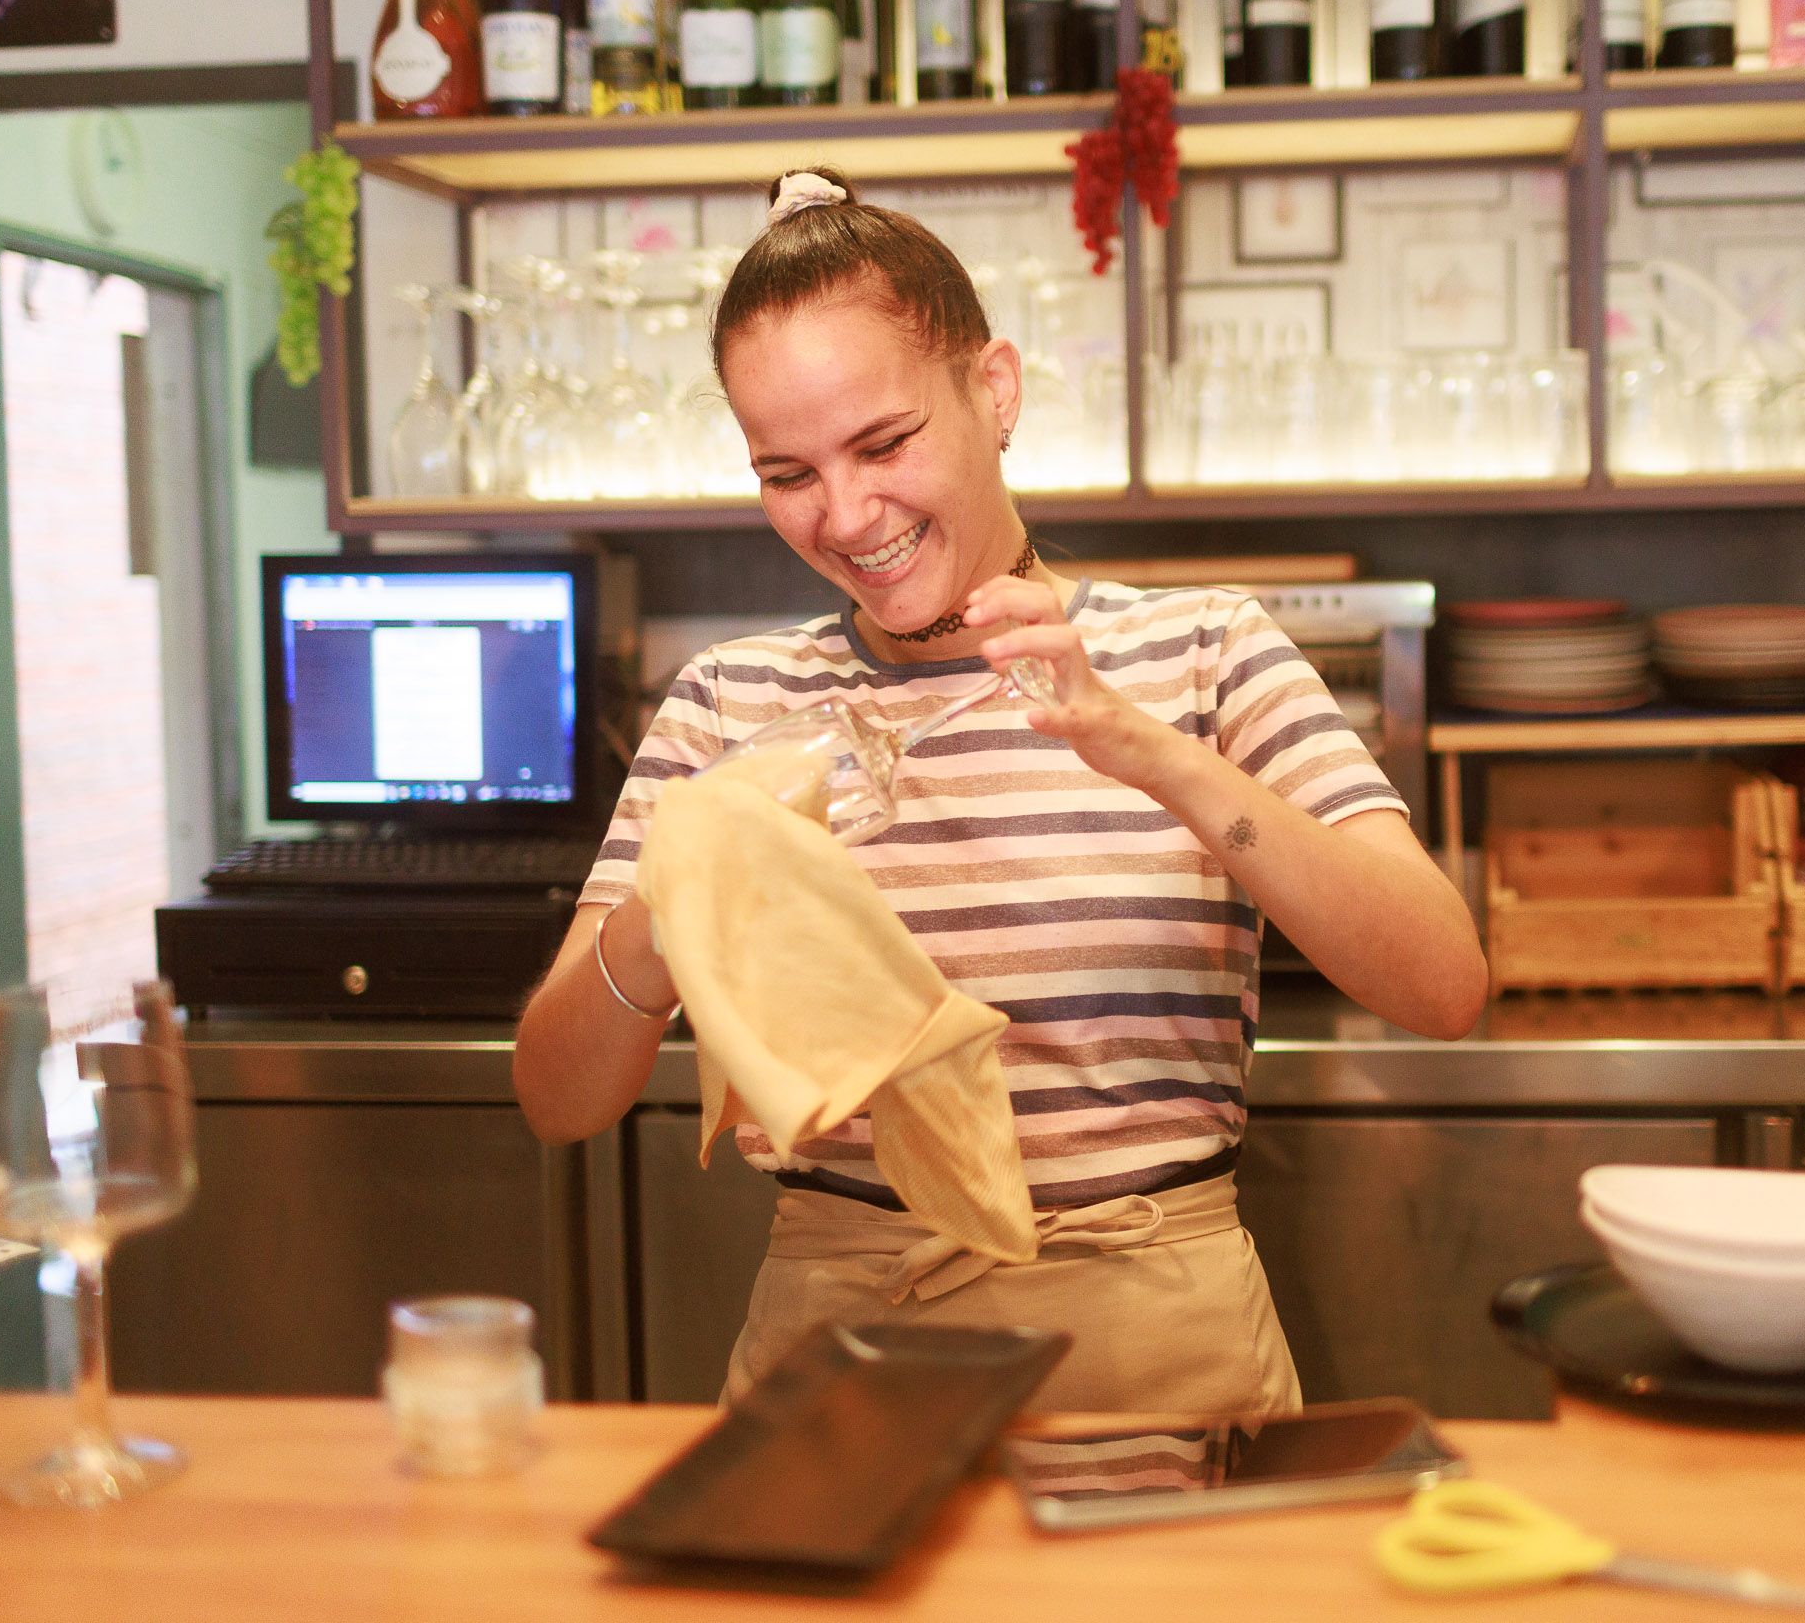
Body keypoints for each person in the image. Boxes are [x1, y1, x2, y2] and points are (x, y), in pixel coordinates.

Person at [513, 167, 1487, 1415]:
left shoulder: (1203, 653)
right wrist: (679, 890)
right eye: (787, 472)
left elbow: (1441, 984)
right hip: (839, 1393)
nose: (846, 513)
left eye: (884, 444)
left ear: (996, 390)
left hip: (1157, 1374)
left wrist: (1153, 754)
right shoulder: (727, 702)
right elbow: (559, 1098)